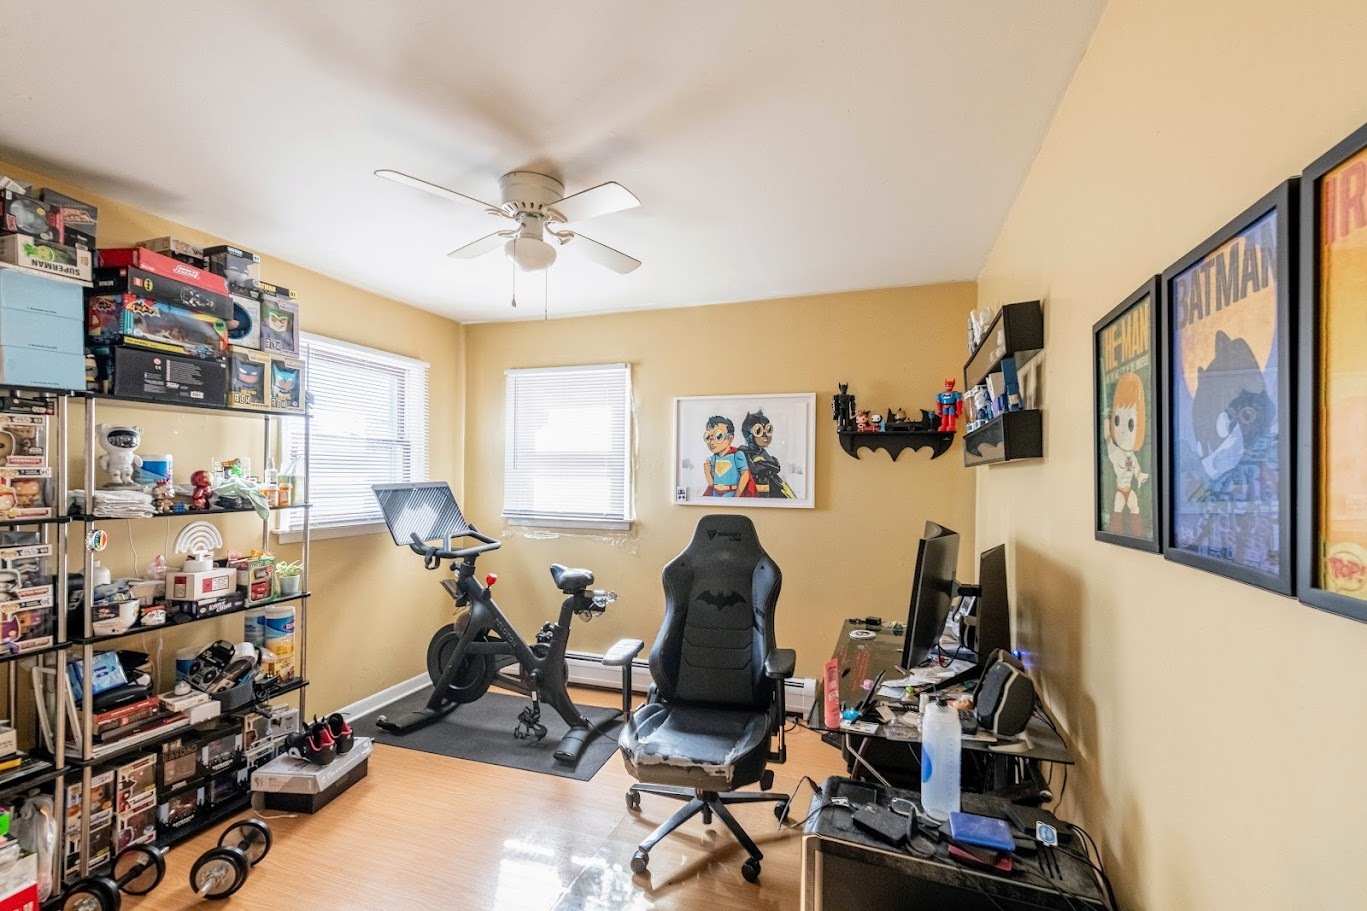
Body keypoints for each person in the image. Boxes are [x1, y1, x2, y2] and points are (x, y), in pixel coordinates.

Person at [740, 410, 794, 498]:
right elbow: (756, 469)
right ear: (749, 434)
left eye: (769, 430)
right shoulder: (744, 452)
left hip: (770, 490)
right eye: (758, 431)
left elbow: (776, 467)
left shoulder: (762, 452)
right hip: (754, 493)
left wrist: (767, 464)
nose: (765, 435)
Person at [702, 416, 754, 497]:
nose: (711, 442)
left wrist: (737, 495)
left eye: (718, 437)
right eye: (708, 437)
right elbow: (711, 484)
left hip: (731, 493)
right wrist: (707, 472)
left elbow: (745, 475)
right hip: (715, 492)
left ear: (730, 439)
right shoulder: (714, 458)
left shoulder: (737, 455)